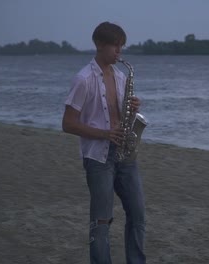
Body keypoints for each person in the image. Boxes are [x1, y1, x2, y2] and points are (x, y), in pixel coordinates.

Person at [62, 21, 146, 264]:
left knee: (138, 215)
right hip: (98, 158)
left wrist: (132, 107)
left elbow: (119, 115)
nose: (119, 52)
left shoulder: (120, 77)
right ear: (99, 44)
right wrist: (105, 134)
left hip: (125, 155)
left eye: (122, 46)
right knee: (101, 222)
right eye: (115, 46)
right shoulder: (83, 79)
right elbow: (68, 124)